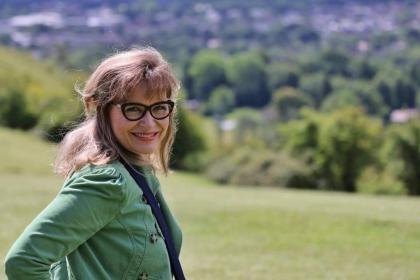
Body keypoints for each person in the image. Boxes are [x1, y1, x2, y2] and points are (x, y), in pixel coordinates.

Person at [4, 47, 183, 280]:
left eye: (159, 108)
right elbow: (25, 261)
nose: (149, 123)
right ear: (101, 109)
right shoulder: (107, 180)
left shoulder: (136, 170)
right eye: (133, 109)